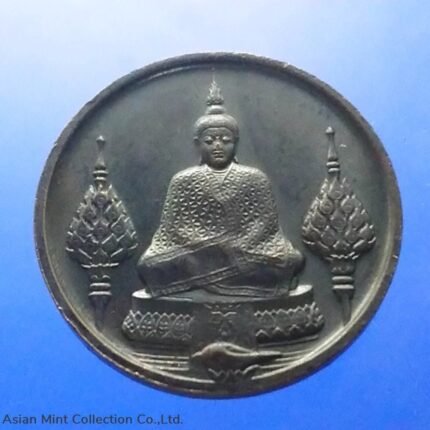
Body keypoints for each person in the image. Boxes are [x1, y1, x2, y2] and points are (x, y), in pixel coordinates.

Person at [137, 80, 303, 298]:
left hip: (245, 249)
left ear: (236, 143)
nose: (217, 146)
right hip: (199, 252)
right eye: (209, 141)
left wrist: (239, 244)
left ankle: (207, 280)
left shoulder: (254, 177)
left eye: (225, 140)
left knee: (288, 259)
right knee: (150, 264)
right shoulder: (183, 180)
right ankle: (222, 276)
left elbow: (266, 223)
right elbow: (173, 227)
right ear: (198, 144)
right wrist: (210, 245)